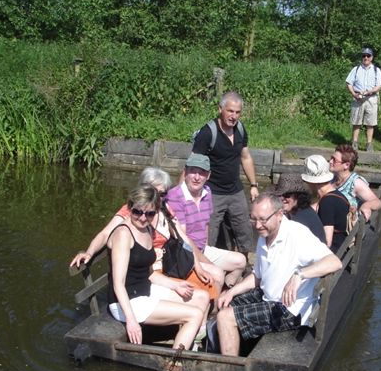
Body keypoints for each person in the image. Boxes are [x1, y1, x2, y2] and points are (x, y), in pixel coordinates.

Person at [69, 167, 223, 302]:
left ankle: (207, 320)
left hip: (170, 264)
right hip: (154, 270)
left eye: (163, 194)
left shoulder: (164, 208)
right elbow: (105, 233)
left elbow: (183, 238)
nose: (158, 198)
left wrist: (199, 266)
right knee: (202, 291)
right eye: (155, 192)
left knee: (214, 275)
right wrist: (89, 252)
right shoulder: (133, 212)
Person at [216, 193, 342, 356]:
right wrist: (231, 291)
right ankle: (234, 350)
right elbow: (258, 276)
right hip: (268, 297)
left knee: (226, 317)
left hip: (291, 309)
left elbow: (334, 262)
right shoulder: (265, 235)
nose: (258, 225)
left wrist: (299, 275)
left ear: (279, 214)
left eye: (263, 219)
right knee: (224, 303)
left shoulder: (297, 235)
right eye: (253, 219)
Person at [106, 185, 204, 349]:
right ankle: (174, 366)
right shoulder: (123, 235)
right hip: (127, 302)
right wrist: (131, 321)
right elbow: (118, 284)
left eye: (150, 213)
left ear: (156, 212)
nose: (143, 218)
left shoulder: (146, 230)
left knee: (201, 297)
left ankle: (188, 343)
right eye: (138, 212)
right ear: (130, 208)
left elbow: (149, 273)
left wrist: (175, 284)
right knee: (195, 315)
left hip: (145, 291)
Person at [166, 153, 247, 289]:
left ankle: (225, 288)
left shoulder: (207, 192)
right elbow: (183, 239)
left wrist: (207, 248)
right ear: (185, 172)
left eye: (202, 173)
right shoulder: (175, 196)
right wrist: (208, 263)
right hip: (184, 254)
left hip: (202, 249)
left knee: (241, 261)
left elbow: (206, 225)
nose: (197, 177)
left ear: (208, 176)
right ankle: (214, 308)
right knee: (217, 273)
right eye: (193, 171)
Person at [192, 91, 258, 255]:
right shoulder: (207, 133)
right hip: (212, 193)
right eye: (230, 111)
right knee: (209, 235)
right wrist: (181, 193)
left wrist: (254, 185)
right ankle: (206, 266)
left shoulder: (240, 129)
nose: (234, 116)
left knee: (245, 232)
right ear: (220, 109)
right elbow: (193, 163)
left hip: (236, 190)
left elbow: (246, 157)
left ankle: (244, 266)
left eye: (237, 112)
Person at [301, 155, 351, 253]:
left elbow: (327, 242)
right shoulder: (337, 195)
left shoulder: (327, 203)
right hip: (344, 247)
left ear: (311, 182)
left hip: (336, 254)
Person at [327, 144, 381, 221]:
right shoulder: (332, 179)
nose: (330, 161)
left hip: (345, 228)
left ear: (346, 165)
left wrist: (366, 206)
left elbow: (378, 203)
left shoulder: (355, 183)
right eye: (331, 158)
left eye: (334, 160)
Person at [345, 47, 381, 152]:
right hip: (357, 98)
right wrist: (354, 94)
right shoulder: (356, 69)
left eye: (368, 56)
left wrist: (370, 91)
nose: (366, 58)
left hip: (371, 98)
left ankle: (369, 144)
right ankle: (354, 143)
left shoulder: (377, 70)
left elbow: (380, 85)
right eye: (364, 56)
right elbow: (349, 83)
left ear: (372, 57)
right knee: (356, 122)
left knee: (370, 123)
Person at [273, 173, 325, 243]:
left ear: (298, 196)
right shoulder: (302, 211)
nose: (282, 198)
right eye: (280, 194)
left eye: (287, 195)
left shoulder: (299, 220)